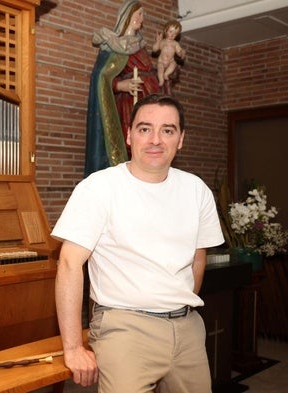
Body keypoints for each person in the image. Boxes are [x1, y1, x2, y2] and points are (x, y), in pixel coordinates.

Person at [53, 94, 225, 393]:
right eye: (145, 129)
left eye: (167, 130)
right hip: (124, 329)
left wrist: (174, 306)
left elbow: (198, 259)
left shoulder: (196, 190)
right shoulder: (99, 187)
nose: (156, 139)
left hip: (187, 328)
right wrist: (72, 348)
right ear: (129, 135)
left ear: (180, 139)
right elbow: (69, 263)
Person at [84, 0, 160, 177]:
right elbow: (100, 77)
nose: (141, 19)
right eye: (139, 14)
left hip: (147, 99)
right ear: (127, 16)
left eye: (142, 15)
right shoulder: (112, 46)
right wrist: (119, 85)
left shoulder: (141, 46)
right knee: (130, 142)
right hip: (126, 103)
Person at [153, 20, 186, 87]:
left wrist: (181, 53)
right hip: (161, 62)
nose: (172, 34)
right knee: (160, 69)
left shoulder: (175, 43)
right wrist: (158, 42)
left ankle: (166, 74)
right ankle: (161, 80)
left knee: (174, 64)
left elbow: (178, 52)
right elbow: (155, 49)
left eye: (175, 33)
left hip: (170, 61)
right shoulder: (162, 42)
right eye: (171, 32)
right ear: (165, 31)